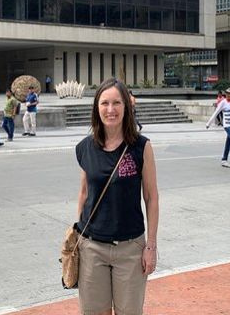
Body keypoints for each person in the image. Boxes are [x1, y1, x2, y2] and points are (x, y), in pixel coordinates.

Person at [75, 78, 158, 314]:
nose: (110, 110)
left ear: (126, 107)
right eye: (104, 103)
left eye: (116, 103)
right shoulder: (85, 148)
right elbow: (83, 193)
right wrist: (78, 239)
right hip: (92, 247)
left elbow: (151, 198)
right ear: (96, 107)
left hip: (130, 248)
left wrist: (150, 246)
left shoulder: (141, 147)